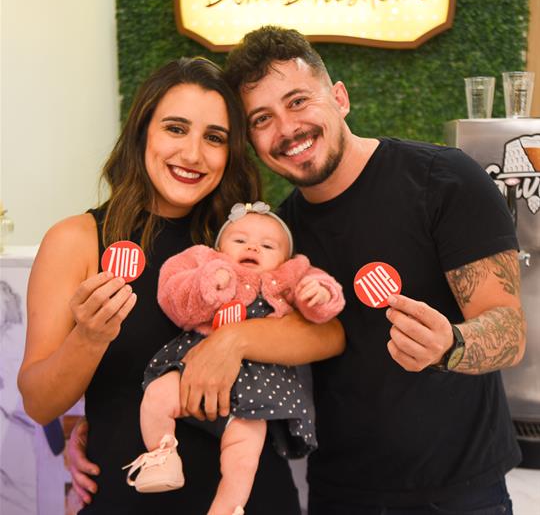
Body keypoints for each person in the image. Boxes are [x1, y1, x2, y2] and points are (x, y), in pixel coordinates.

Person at [67, 27, 526, 514]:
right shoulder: (274, 239)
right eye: (262, 119)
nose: (287, 129)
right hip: (336, 494)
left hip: (458, 493)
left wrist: (451, 345)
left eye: (298, 102)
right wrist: (104, 423)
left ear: (339, 99)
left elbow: (510, 330)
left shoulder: (443, 179)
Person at [17, 56, 345, 515]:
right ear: (142, 133)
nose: (193, 154)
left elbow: (329, 334)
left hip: (254, 500)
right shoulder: (78, 240)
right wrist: (88, 338)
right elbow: (39, 403)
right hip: (129, 500)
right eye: (175, 128)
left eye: (214, 138)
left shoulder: (246, 237)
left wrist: (231, 341)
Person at [125, 201, 344, 515]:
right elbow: (174, 296)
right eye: (240, 240)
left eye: (267, 246)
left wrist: (318, 295)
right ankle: (163, 455)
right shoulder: (207, 262)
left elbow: (322, 309)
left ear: (286, 259)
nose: (253, 247)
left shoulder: (290, 275)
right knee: (157, 396)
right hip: (195, 365)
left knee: (244, 453)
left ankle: (228, 508)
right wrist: (206, 283)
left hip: (260, 384)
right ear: (218, 247)